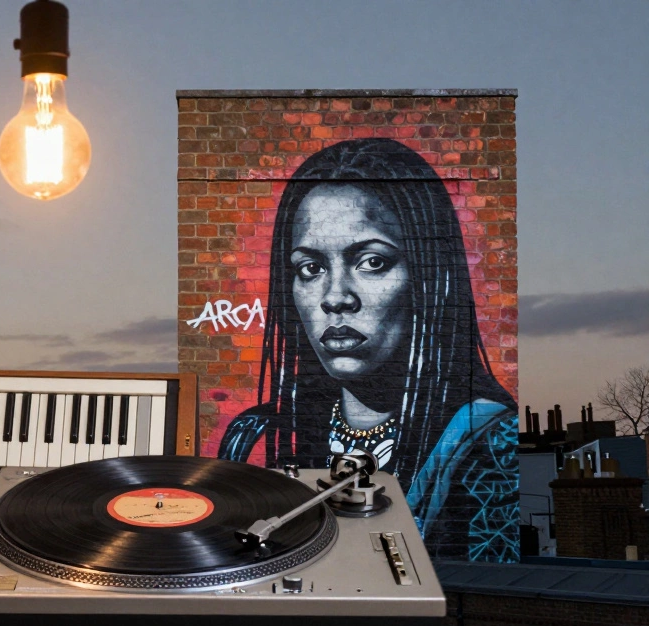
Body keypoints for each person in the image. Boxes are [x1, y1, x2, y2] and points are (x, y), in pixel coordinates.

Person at [217, 138, 519, 563]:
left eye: (371, 262)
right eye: (310, 268)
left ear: (428, 276)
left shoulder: (487, 441)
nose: (335, 297)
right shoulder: (255, 439)